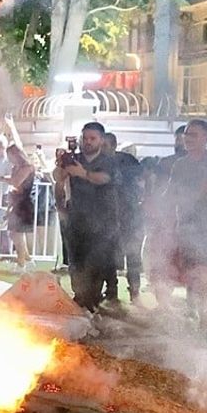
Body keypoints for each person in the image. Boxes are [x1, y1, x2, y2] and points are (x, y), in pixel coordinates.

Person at [152, 119, 207, 330]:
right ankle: (194, 315)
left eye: (193, 134)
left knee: (204, 275)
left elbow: (204, 189)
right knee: (191, 274)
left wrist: (179, 202)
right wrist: (156, 204)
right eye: (186, 134)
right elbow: (171, 192)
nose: (187, 138)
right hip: (186, 228)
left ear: (205, 137)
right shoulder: (180, 164)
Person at [53, 122, 118, 314]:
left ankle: (91, 305)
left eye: (92, 138)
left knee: (95, 267)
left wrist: (83, 173)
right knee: (76, 264)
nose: (88, 142)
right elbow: (58, 178)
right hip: (76, 220)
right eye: (85, 138)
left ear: (101, 140)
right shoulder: (74, 158)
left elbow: (104, 178)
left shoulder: (108, 160)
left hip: (102, 223)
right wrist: (61, 164)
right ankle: (80, 302)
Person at [102, 132, 141, 303]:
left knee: (132, 254)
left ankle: (134, 290)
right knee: (108, 255)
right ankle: (111, 290)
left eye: (105, 145)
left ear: (113, 145)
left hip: (129, 214)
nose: (102, 149)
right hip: (108, 216)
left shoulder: (128, 161)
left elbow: (141, 179)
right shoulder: (99, 162)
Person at [5, 143, 35, 270]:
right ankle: (27, 260)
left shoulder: (27, 167)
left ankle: (21, 263)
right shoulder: (16, 167)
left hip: (24, 203)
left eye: (10, 156)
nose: (9, 159)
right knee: (14, 233)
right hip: (16, 201)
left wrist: (1, 178)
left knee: (17, 234)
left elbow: (16, 182)